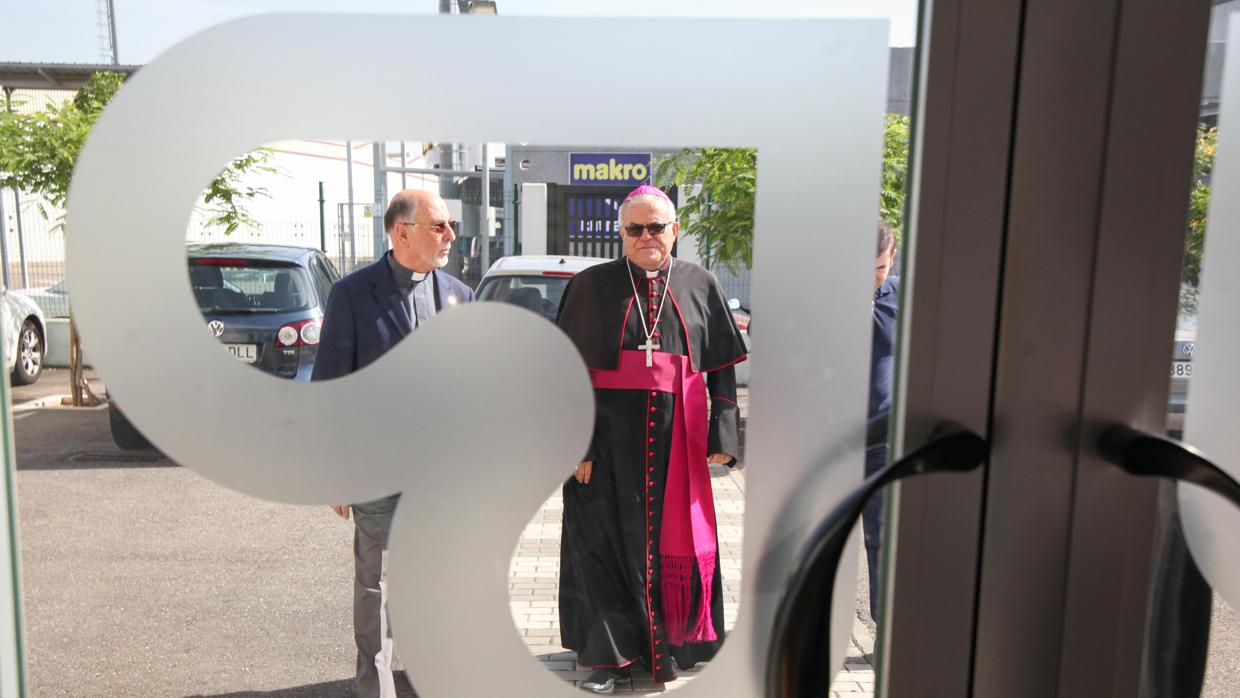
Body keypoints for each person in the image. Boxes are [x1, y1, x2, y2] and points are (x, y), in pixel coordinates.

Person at [555, 185, 748, 694]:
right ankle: (608, 661)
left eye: (656, 227)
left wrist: (723, 433)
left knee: (671, 546)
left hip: (675, 445)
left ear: (674, 230)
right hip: (604, 445)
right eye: (634, 229)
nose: (646, 237)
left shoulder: (700, 283)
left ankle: (677, 644)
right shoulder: (591, 286)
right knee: (600, 547)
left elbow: (722, 370)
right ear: (621, 234)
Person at [312, 189, 474, 698]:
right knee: (375, 588)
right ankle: (375, 689)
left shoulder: (459, 296)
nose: (451, 236)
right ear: (401, 232)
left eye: (450, 226)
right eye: (439, 226)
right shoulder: (353, 294)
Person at [861, 219, 900, 628]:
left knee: (883, 539)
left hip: (881, 442)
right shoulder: (820, 295)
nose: (870, 278)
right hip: (825, 444)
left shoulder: (903, 296)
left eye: (879, 268)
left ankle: (883, 629)